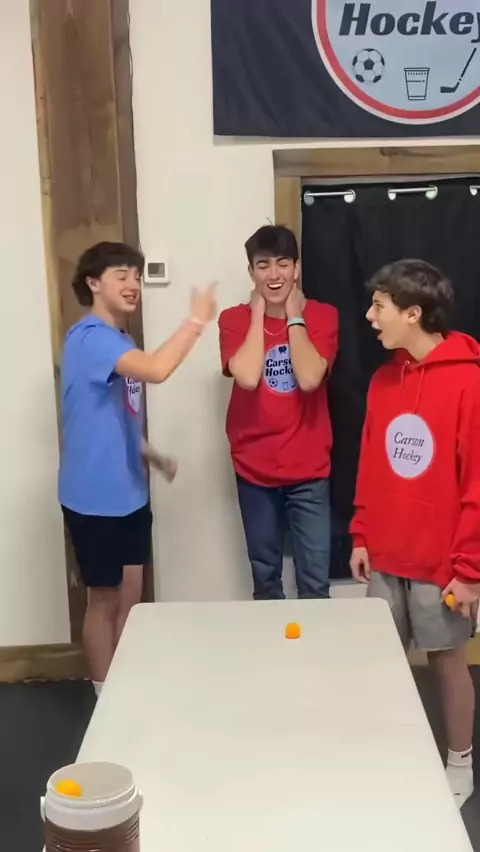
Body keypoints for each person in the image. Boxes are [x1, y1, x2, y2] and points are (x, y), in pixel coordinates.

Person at [59, 241, 217, 696]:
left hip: (130, 492)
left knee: (131, 594)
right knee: (103, 599)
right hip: (93, 496)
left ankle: (124, 687)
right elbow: (157, 369)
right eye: (121, 275)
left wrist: (150, 453)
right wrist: (196, 320)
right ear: (94, 283)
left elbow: (117, 416)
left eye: (136, 276)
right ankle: (104, 697)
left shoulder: (122, 341)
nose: (133, 285)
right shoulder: (89, 339)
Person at [350, 259, 480, 809]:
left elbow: (476, 482)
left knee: (447, 661)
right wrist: (361, 532)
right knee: (380, 661)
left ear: (413, 313)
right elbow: (371, 461)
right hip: (386, 553)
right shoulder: (384, 381)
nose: (369, 315)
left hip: (441, 562)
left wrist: (469, 571)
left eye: (379, 306)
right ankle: (390, 757)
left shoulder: (469, 381)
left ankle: (460, 762)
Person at [219, 225, 338, 600]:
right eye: (263, 265)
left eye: (283, 263)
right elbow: (248, 377)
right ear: (251, 272)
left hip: (309, 470)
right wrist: (258, 317)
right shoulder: (233, 320)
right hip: (254, 469)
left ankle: (315, 642)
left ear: (296, 268)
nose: (274, 274)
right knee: (266, 580)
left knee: (315, 583)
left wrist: (294, 316)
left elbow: (309, 378)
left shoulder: (323, 316)